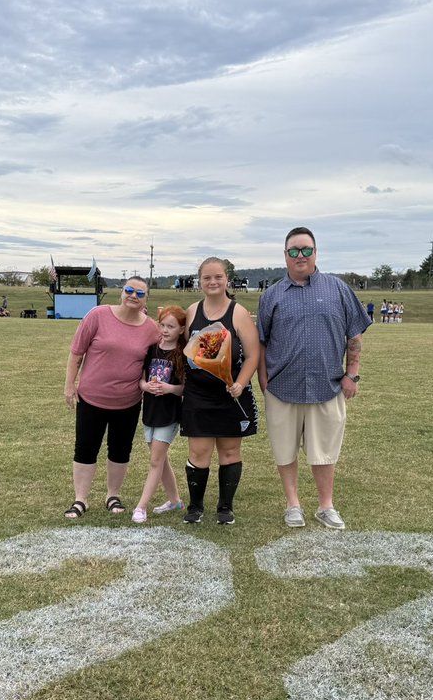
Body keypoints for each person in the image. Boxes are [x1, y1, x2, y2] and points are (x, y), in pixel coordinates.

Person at [257, 227, 370, 530]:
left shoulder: (338, 289)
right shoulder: (272, 296)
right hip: (282, 388)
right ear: (285, 256)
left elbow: (354, 334)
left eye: (306, 249)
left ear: (316, 252)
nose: (300, 256)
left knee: (325, 450)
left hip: (328, 385)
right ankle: (293, 504)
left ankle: (325, 505)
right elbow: (262, 342)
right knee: (285, 449)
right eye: (294, 251)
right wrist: (264, 383)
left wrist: (352, 374)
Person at [63, 276, 161, 519]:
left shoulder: (151, 329)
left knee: (120, 450)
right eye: (129, 290)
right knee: (86, 448)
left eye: (140, 294)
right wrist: (69, 385)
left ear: (146, 299)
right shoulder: (97, 315)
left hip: (128, 402)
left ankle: (112, 495)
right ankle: (80, 499)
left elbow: (158, 360)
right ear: (121, 292)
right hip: (91, 398)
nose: (133, 296)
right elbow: (76, 353)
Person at [181, 257, 260, 525]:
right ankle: (195, 507)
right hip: (198, 396)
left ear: (227, 279)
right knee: (198, 453)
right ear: (199, 281)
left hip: (229, 395)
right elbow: (188, 351)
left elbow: (252, 355)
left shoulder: (238, 313)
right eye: (207, 278)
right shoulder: (192, 311)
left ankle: (225, 507)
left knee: (229, 452)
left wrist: (241, 383)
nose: (213, 282)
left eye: (218, 277)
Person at [131, 305, 188, 522]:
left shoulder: (183, 354)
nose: (165, 330)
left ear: (181, 329)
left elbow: (185, 387)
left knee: (155, 460)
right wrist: (146, 387)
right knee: (160, 460)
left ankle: (141, 507)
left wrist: (169, 389)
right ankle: (175, 501)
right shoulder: (152, 349)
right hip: (150, 411)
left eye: (171, 326)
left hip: (169, 413)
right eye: (162, 325)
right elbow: (142, 379)